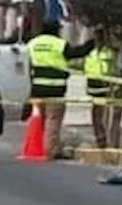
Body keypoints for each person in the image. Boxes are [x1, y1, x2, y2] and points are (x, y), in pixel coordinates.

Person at [26, 19, 96, 159]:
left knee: (37, 118)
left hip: (36, 88)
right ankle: (49, 150)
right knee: (53, 120)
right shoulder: (59, 44)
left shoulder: (32, 44)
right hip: (55, 89)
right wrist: (92, 44)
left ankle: (35, 147)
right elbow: (77, 53)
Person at [84, 29, 122, 149]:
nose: (97, 40)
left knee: (102, 115)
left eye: (99, 38)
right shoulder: (90, 52)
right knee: (95, 115)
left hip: (105, 87)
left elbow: (114, 69)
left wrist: (115, 84)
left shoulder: (109, 53)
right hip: (92, 87)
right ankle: (100, 139)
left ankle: (104, 140)